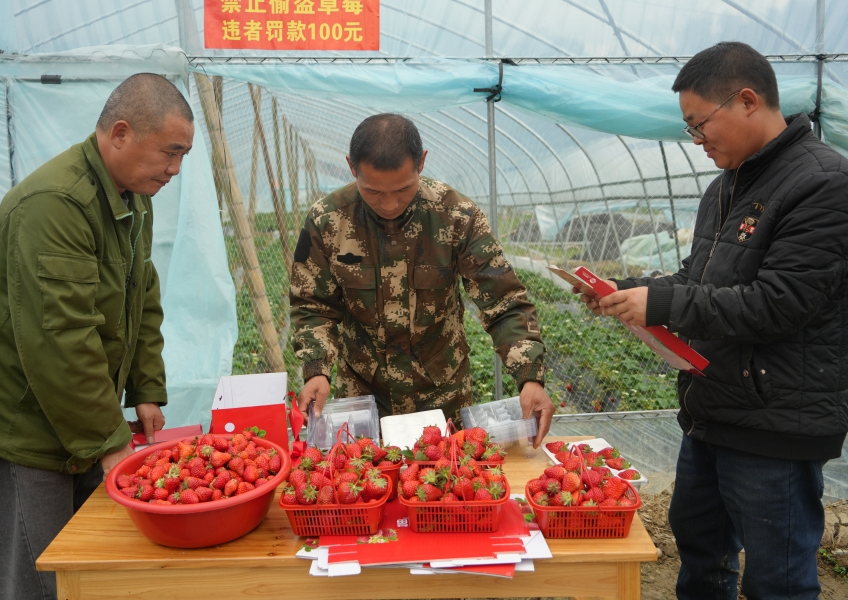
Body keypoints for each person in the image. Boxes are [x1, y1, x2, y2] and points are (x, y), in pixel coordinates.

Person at [580, 42, 848, 599]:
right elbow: (699, 281)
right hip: (712, 406)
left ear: (747, 100)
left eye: (700, 125)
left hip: (774, 423)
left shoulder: (823, 184)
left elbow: (779, 303)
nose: (698, 142)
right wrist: (631, 292)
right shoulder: (724, 188)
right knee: (701, 554)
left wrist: (663, 307)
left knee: (778, 579)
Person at [0, 73, 194, 600]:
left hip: (78, 414)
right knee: (40, 578)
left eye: (182, 156)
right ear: (121, 133)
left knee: (86, 569)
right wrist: (108, 442)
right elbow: (61, 339)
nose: (175, 169)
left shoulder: (131, 196)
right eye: (169, 153)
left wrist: (146, 387)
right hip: (25, 425)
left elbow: (140, 295)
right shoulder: (55, 204)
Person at [290, 113, 555, 446]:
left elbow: (503, 302)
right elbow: (312, 306)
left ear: (422, 162)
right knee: (371, 480)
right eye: (372, 192)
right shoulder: (327, 220)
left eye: (403, 189)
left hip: (443, 394)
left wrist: (530, 378)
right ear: (351, 167)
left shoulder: (457, 216)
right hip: (365, 396)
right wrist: (316, 369)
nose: (389, 204)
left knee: (445, 482)